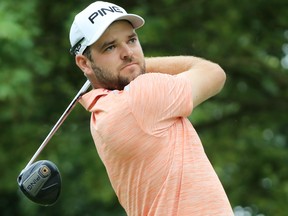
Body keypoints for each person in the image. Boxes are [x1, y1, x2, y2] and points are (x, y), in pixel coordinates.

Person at [69, 1, 233, 215]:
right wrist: (139, 64)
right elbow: (213, 73)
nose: (127, 52)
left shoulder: (99, 114)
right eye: (110, 47)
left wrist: (130, 65)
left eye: (132, 40)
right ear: (84, 63)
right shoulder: (142, 96)